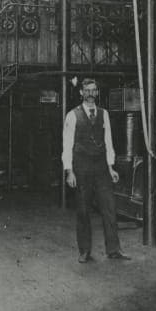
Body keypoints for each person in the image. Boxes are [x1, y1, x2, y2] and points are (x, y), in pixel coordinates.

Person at [61, 78, 131, 263]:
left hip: (101, 167)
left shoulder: (104, 114)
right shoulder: (72, 115)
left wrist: (111, 167)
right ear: (81, 93)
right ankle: (84, 251)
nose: (91, 93)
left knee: (109, 208)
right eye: (87, 90)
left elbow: (108, 141)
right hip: (81, 167)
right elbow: (67, 145)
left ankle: (114, 249)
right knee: (83, 209)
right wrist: (69, 171)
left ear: (97, 93)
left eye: (94, 90)